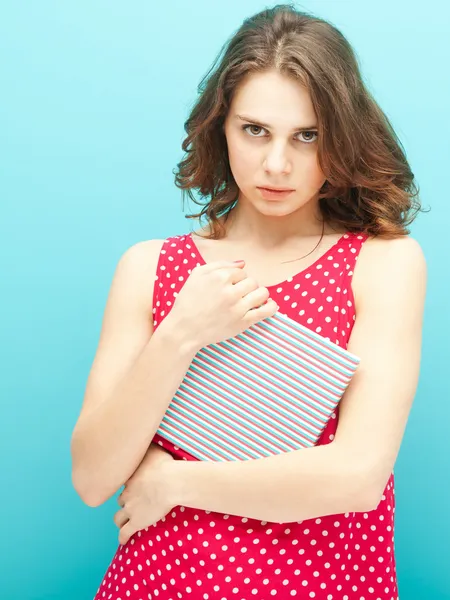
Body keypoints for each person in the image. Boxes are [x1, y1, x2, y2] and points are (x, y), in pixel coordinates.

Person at [71, 4, 427, 599]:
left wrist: (175, 483)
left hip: (322, 582)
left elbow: (358, 476)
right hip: (162, 579)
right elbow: (91, 477)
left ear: (339, 137)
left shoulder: (382, 264)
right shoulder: (149, 267)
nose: (276, 165)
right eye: (254, 129)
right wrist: (181, 332)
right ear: (221, 126)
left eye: (306, 136)